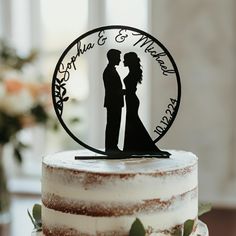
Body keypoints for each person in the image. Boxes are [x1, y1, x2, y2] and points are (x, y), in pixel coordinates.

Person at [123, 52, 161, 154]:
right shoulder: (133, 71)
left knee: (133, 122)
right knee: (132, 122)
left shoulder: (133, 73)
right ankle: (130, 147)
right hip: (130, 99)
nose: (123, 61)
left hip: (132, 99)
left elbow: (130, 90)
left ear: (129, 61)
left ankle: (143, 146)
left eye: (125, 59)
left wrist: (118, 92)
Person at [103, 49, 124, 153]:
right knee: (113, 125)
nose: (120, 59)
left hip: (114, 102)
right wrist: (124, 92)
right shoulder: (109, 71)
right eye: (118, 57)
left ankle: (112, 147)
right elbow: (112, 90)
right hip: (113, 103)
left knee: (114, 125)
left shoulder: (111, 70)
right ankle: (111, 148)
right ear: (113, 58)